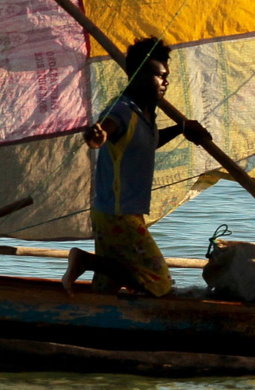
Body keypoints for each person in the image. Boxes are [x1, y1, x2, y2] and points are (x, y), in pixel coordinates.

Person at [61, 38, 211, 296]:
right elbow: (105, 131)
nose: (165, 81)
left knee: (106, 287)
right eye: (159, 75)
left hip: (114, 212)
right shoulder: (121, 111)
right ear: (137, 75)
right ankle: (85, 261)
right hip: (118, 215)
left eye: (167, 76)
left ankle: (85, 318)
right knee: (159, 283)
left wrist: (181, 128)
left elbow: (145, 144)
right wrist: (97, 136)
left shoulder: (145, 113)